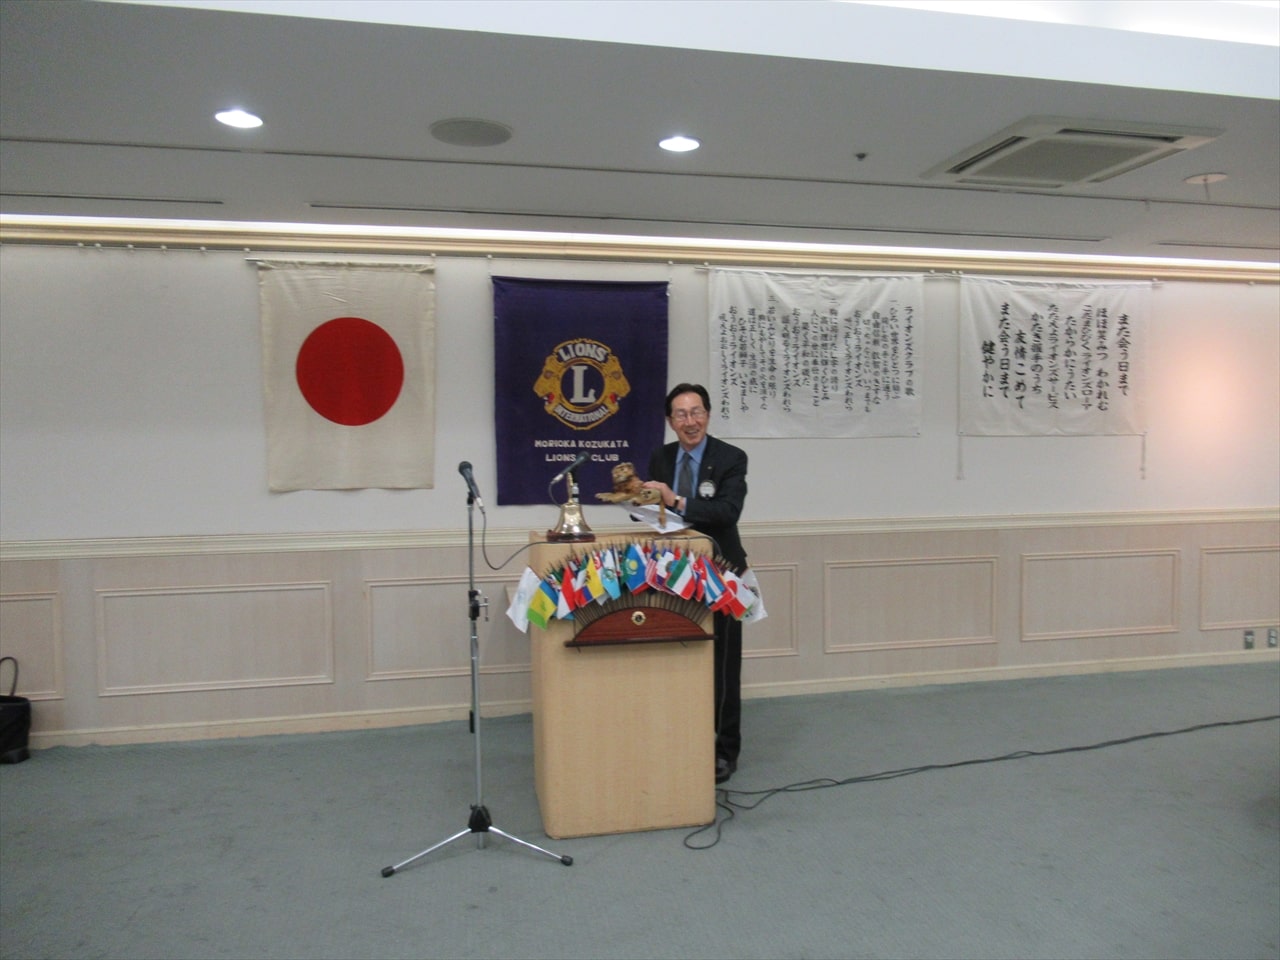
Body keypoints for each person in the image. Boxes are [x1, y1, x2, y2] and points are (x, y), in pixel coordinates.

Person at [644, 383, 748, 784]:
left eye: (697, 412)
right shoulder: (661, 457)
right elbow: (659, 513)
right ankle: (682, 739)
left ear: (707, 414)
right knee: (679, 657)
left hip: (721, 572)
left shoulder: (731, 458)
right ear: (670, 421)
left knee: (723, 666)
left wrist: (676, 500)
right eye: (682, 414)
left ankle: (724, 750)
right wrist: (641, 502)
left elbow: (727, 511)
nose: (691, 421)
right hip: (673, 574)